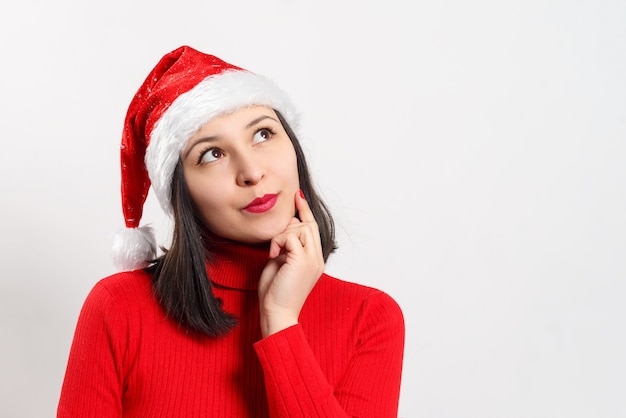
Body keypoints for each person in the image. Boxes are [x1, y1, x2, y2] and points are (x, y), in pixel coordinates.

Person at [57, 45, 405, 418]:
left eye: (263, 134)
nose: (252, 172)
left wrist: (281, 321)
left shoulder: (369, 318)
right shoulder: (118, 307)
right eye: (212, 155)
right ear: (182, 192)